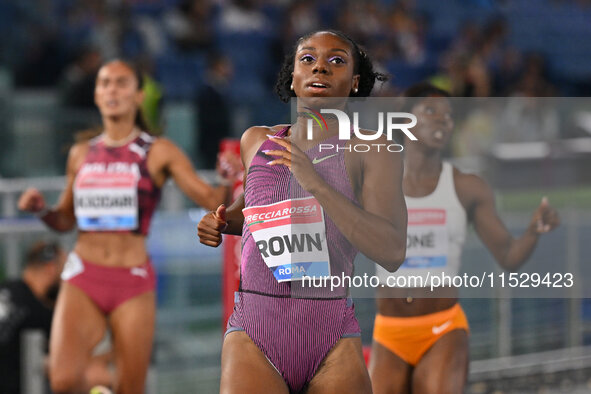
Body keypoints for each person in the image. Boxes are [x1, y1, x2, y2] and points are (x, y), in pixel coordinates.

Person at [198, 30, 408, 393]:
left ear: (355, 82)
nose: (320, 68)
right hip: (255, 332)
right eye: (307, 59)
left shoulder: (373, 149)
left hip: (331, 337)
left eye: (336, 61)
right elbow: (250, 210)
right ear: (293, 78)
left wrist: (317, 184)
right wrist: (218, 222)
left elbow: (391, 252)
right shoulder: (257, 141)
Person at [18, 59, 232, 394]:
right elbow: (64, 220)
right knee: (62, 380)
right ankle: (100, 382)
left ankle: (104, 382)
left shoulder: (157, 151)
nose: (112, 89)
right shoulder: (80, 153)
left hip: (131, 280)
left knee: (131, 387)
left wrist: (229, 178)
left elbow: (210, 197)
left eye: (120, 82)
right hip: (83, 275)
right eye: (104, 83)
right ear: (96, 95)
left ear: (137, 95)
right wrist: (41, 209)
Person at [369, 83, 560, 394]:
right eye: (430, 110)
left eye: (448, 114)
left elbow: (509, 256)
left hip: (442, 329)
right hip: (388, 331)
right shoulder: (375, 182)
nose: (442, 119)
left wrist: (534, 230)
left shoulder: (467, 187)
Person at [0, 241, 65, 394]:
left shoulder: (7, 287)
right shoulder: (39, 313)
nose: (67, 281)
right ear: (50, 268)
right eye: (64, 271)